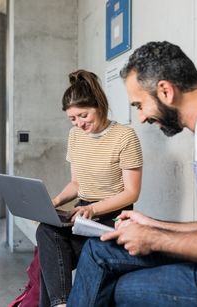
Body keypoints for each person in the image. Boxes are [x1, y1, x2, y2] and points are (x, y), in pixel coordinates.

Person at [67, 41, 197, 307]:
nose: (142, 117)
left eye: (139, 105)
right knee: (97, 250)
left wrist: (154, 238)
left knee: (120, 289)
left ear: (166, 91)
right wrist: (154, 225)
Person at [36, 69, 143, 307]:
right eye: (73, 119)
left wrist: (94, 209)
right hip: (81, 214)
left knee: (50, 260)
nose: (79, 124)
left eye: (83, 115)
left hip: (112, 217)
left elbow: (131, 192)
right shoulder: (75, 136)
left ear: (99, 105)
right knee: (46, 232)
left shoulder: (125, 136)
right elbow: (77, 184)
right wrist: (53, 203)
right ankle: (62, 304)